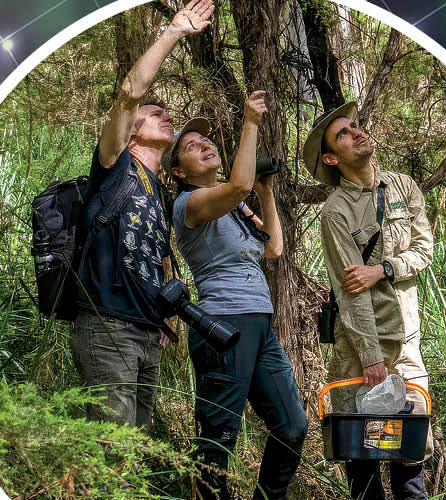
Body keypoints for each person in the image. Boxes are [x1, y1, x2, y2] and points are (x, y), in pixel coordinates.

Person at [70, 0, 213, 427]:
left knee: (137, 451)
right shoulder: (114, 167)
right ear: (132, 129)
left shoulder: (158, 190)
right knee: (114, 452)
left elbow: (159, 253)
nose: (168, 116)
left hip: (148, 333)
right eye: (156, 114)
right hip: (108, 327)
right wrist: (174, 32)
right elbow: (130, 93)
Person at [165, 91, 307, 500]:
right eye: (192, 147)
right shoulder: (189, 203)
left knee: (292, 426)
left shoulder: (234, 207)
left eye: (207, 141)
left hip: (259, 326)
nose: (205, 145)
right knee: (218, 439)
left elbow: (274, 248)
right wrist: (250, 122)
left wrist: (264, 191)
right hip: (223, 325)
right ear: (179, 171)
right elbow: (238, 183)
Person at [304, 101, 435, 500]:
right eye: (343, 134)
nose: (357, 133)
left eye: (355, 126)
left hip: (406, 341)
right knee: (363, 451)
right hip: (360, 347)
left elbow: (424, 250)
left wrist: (384, 269)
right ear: (331, 157)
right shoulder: (336, 212)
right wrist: (371, 358)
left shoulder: (403, 186)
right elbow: (350, 292)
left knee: (411, 449)